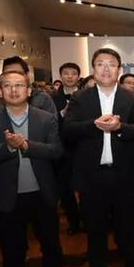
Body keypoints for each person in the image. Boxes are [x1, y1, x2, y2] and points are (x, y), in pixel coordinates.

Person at [0, 71, 73, 267]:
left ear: (29, 90)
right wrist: (8, 147)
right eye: (7, 86)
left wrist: (26, 146)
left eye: (19, 85)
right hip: (8, 197)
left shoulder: (45, 118)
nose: (13, 90)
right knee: (13, 252)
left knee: (51, 247)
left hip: (42, 194)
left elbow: (56, 151)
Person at [63, 48, 134, 267]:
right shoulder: (80, 98)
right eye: (100, 64)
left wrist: (120, 127)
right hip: (92, 178)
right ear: (93, 69)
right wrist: (94, 125)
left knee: (129, 231)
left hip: (125, 177)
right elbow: (67, 130)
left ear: (119, 69)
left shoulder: (131, 97)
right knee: (95, 232)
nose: (106, 68)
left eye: (111, 64)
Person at [52, 62, 83, 234]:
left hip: (83, 147)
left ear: (78, 76)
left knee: (86, 187)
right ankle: (73, 222)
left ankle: (88, 219)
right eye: (66, 73)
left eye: (73, 73)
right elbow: (48, 122)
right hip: (62, 148)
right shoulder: (51, 98)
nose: (70, 76)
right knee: (65, 188)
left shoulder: (86, 95)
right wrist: (62, 113)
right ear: (60, 76)